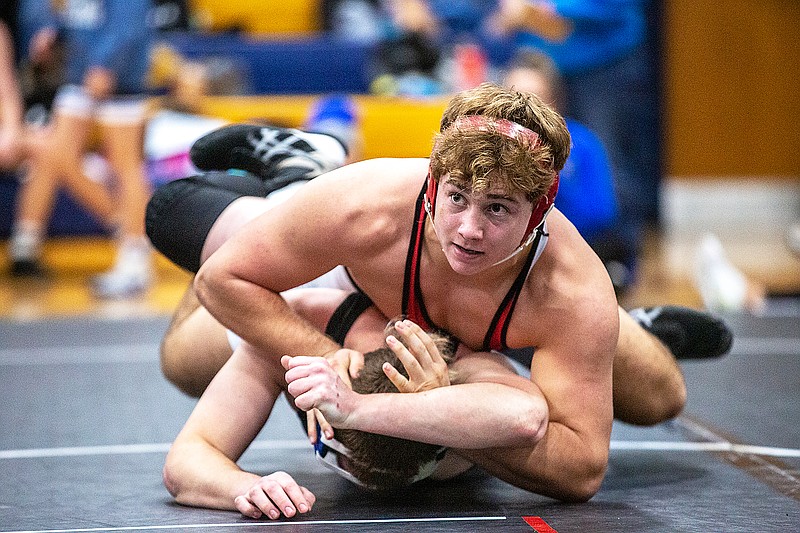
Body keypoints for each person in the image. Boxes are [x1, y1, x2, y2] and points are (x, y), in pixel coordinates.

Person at [148, 83, 732, 512]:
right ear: (431, 180)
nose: (468, 230)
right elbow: (221, 281)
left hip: (512, 311)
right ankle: (306, 171)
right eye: (456, 199)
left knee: (660, 398)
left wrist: (433, 411)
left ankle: (618, 329)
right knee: (184, 361)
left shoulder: (567, 286)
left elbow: (581, 471)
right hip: (360, 286)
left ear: (540, 211)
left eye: (498, 209)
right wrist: (331, 361)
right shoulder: (369, 206)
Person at [8, 0, 155, 297]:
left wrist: (106, 64)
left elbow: (129, 22)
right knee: (54, 154)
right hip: (79, 73)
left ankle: (136, 260)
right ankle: (122, 228)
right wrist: (52, 34)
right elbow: (72, 13)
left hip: (118, 77)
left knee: (125, 165)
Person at [503, 48, 631, 292]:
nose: (525, 112)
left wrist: (548, 174)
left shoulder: (582, 143)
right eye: (515, 99)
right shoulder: (491, 147)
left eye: (536, 99)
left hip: (572, 255)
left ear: (555, 102)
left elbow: (602, 212)